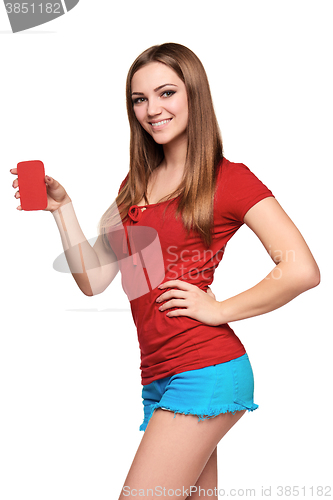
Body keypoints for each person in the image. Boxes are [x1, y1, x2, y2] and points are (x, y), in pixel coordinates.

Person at [11, 43, 320, 499]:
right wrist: (63, 210)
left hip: (204, 367)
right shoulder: (135, 185)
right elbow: (94, 280)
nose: (152, 110)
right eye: (139, 99)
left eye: (166, 93)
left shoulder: (228, 179)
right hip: (157, 374)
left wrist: (220, 309)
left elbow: (301, 269)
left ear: (194, 95)